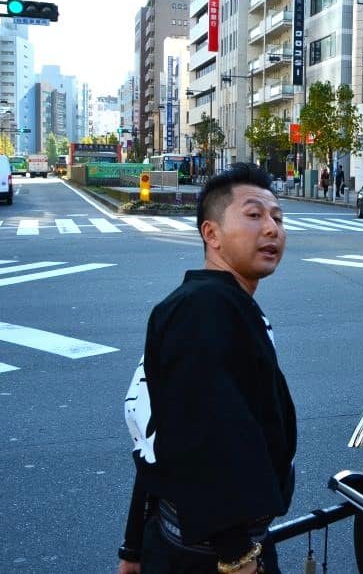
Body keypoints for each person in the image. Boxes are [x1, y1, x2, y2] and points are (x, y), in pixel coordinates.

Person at [118, 164, 295, 574]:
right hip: (213, 555)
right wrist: (238, 557)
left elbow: (155, 431)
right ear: (210, 234)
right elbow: (203, 439)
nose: (272, 229)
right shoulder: (205, 309)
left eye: (278, 218)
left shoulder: (212, 303)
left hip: (189, 540)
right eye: (254, 215)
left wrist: (132, 547)